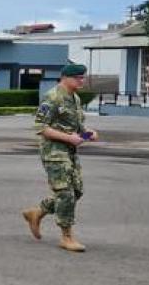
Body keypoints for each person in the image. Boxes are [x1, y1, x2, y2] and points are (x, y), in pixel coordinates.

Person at [22, 62, 96, 252]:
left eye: (83, 77)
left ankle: (38, 212)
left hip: (70, 151)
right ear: (65, 78)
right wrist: (69, 138)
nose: (81, 81)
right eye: (78, 78)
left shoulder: (75, 98)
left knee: (77, 191)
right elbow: (40, 127)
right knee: (65, 193)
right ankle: (66, 236)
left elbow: (77, 126)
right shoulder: (52, 97)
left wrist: (88, 133)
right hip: (53, 151)